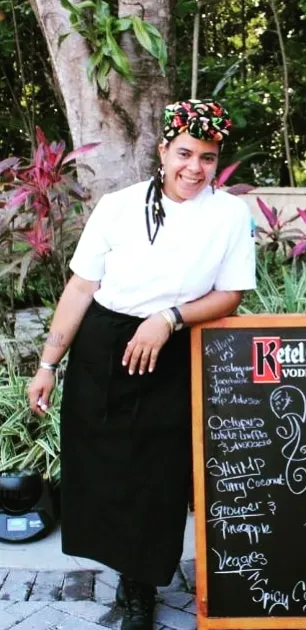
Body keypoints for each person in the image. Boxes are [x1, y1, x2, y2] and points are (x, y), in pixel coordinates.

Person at [27, 99, 256, 630]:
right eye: (184, 153)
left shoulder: (228, 214)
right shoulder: (119, 206)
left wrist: (170, 318)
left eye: (207, 156)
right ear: (162, 150)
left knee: (156, 474)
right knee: (104, 463)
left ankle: (139, 587)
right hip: (104, 344)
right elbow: (82, 286)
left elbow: (231, 294)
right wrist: (47, 364)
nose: (194, 168)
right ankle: (120, 568)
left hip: (173, 347)